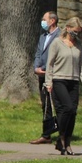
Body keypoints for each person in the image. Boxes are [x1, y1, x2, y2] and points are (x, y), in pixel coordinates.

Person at [45, 17, 82, 155]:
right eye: (74, 31)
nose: (76, 34)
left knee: (73, 112)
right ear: (68, 28)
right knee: (67, 108)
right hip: (59, 79)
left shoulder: (78, 45)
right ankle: (61, 137)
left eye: (79, 32)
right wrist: (48, 82)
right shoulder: (57, 43)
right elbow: (50, 63)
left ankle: (66, 141)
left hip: (74, 80)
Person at [30, 11, 61, 144]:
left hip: (54, 75)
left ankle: (62, 132)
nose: (42, 22)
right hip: (42, 74)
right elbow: (38, 53)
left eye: (44, 19)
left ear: (52, 21)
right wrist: (36, 67)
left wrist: (50, 71)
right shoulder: (43, 36)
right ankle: (46, 134)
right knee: (46, 104)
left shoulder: (60, 36)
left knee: (57, 104)